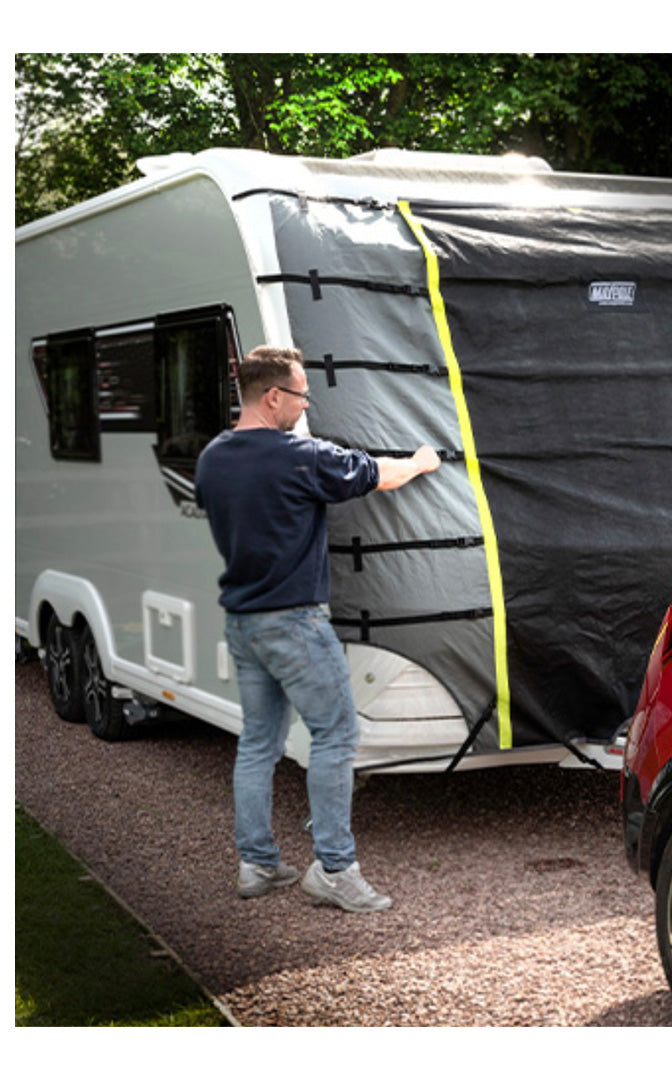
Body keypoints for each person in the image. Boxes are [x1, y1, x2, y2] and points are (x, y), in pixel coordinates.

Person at [194, 345, 441, 911]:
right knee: (336, 735)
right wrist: (424, 460)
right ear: (273, 396)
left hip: (243, 621)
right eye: (302, 394)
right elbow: (383, 476)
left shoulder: (212, 458)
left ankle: (256, 864)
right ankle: (334, 868)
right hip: (295, 622)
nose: (307, 405)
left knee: (258, 742)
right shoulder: (299, 456)